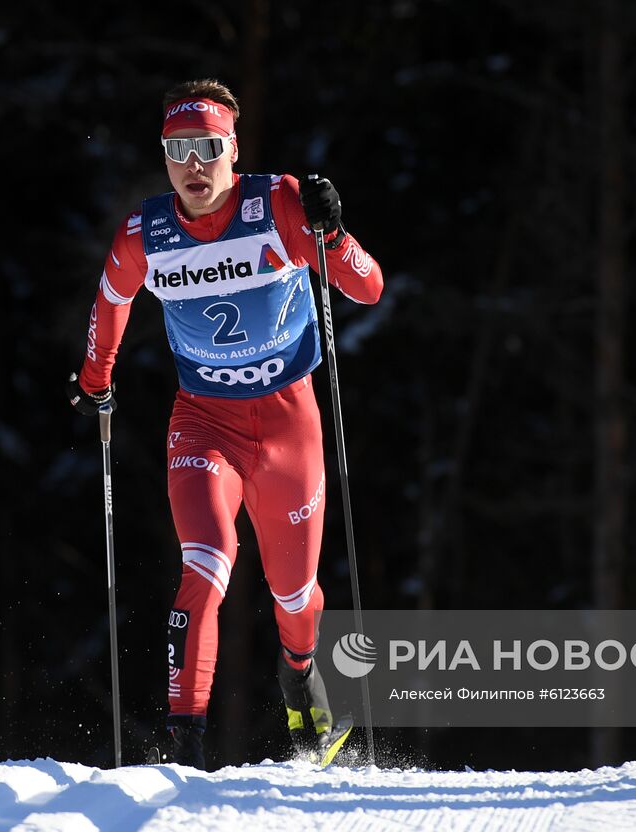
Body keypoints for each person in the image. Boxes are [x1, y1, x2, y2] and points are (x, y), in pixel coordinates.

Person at [70, 79, 384, 769]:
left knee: (295, 597)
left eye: (208, 148)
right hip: (203, 424)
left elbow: (366, 285)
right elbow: (111, 298)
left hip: (287, 424)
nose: (193, 165)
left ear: (232, 150)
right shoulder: (145, 232)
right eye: (177, 150)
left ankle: (300, 672)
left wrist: (332, 231)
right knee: (204, 567)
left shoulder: (276, 204)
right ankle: (186, 745)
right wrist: (96, 378)